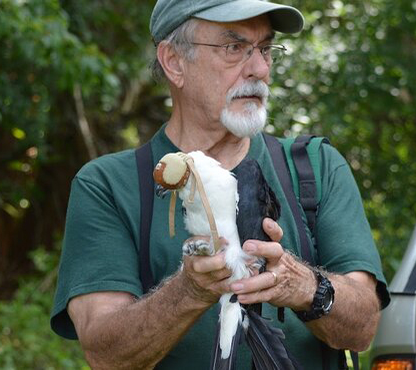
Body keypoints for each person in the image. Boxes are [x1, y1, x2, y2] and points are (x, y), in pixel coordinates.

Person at [50, 0, 391, 368]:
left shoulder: (315, 167)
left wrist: (303, 285)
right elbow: (105, 355)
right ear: (174, 62)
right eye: (234, 48)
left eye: (265, 49)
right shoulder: (109, 185)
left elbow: (363, 328)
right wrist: (189, 291)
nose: (259, 68)